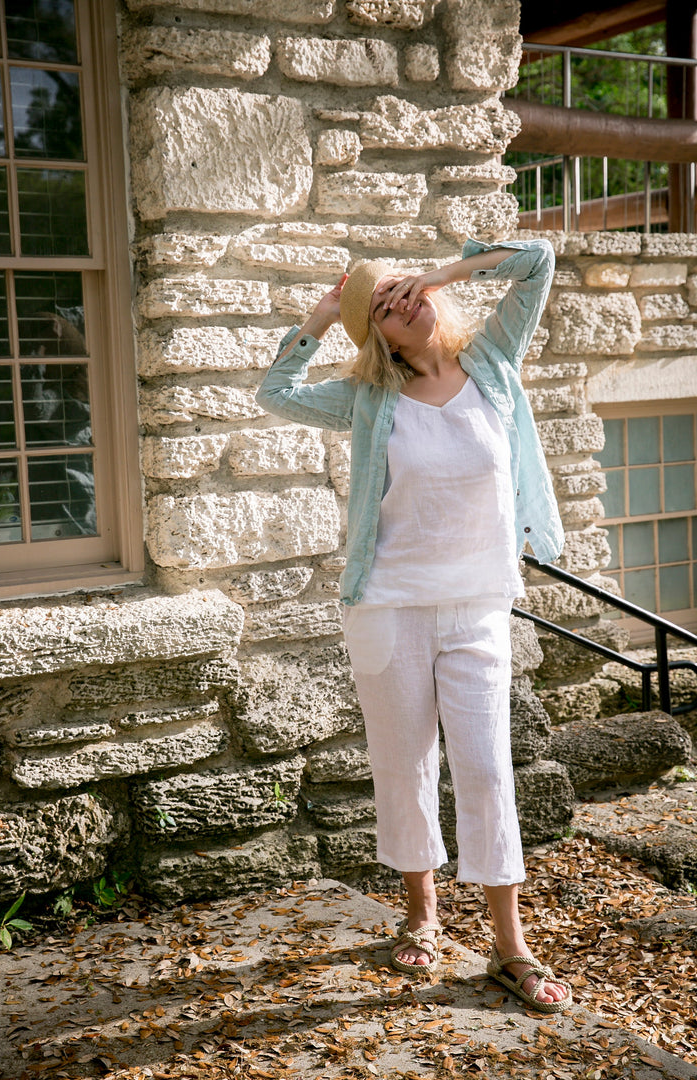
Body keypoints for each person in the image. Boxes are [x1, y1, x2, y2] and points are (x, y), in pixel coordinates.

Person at [255, 237, 572, 1014]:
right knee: (404, 765)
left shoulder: (494, 362)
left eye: (409, 292)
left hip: (476, 605)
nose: (405, 305)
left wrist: (442, 270)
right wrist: (326, 317)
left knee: (489, 770)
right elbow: (277, 391)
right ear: (381, 339)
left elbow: (537, 258)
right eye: (387, 309)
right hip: (389, 604)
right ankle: (421, 917)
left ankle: (510, 945)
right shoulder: (369, 397)